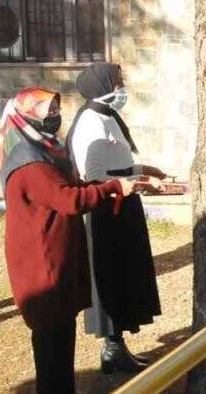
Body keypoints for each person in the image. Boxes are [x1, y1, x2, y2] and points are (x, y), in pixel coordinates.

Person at [0, 87, 146, 394]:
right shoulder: (30, 163)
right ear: (27, 115)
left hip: (56, 257)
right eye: (47, 110)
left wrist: (120, 180)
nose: (54, 116)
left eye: (56, 108)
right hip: (42, 264)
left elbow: (74, 187)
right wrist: (113, 188)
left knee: (61, 336)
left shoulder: (45, 150)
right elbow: (69, 200)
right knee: (50, 341)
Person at [65, 63, 164, 374]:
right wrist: (137, 179)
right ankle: (111, 347)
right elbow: (93, 174)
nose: (122, 88)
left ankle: (118, 346)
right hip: (107, 211)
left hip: (123, 206)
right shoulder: (90, 121)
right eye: (117, 82)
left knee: (126, 275)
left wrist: (143, 170)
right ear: (102, 85)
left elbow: (117, 163)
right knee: (111, 275)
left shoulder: (108, 116)